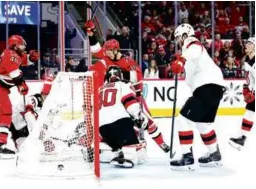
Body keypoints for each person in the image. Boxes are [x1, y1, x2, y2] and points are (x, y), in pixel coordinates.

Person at [84, 20, 170, 153]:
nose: (105, 53)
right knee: (121, 122)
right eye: (105, 51)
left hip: (131, 96)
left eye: (108, 51)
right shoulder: (106, 57)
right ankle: (116, 144)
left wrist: (119, 76)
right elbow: (96, 49)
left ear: (115, 50)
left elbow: (138, 80)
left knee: (146, 120)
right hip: (117, 98)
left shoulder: (128, 61)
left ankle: (162, 143)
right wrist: (91, 33)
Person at [169, 24, 225, 170]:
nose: (178, 41)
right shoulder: (189, 53)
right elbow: (189, 76)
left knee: (183, 120)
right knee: (203, 124)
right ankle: (215, 154)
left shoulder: (191, 43)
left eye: (178, 37)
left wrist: (181, 59)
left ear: (184, 34)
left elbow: (196, 48)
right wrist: (181, 62)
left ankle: (187, 157)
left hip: (206, 87)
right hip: (215, 88)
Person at [0, 35, 39, 157]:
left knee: (5, 116)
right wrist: (22, 85)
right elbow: (15, 74)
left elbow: (22, 60)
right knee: (6, 115)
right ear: (14, 45)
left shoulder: (12, 54)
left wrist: (31, 58)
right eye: (21, 45)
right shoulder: (11, 55)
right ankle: (0, 145)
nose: (23, 47)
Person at [0, 74, 54, 149]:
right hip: (11, 119)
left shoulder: (46, 105)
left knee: (25, 150)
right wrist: (35, 130)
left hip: (21, 127)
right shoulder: (36, 99)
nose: (47, 96)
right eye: (46, 94)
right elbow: (28, 114)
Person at [99, 66, 147, 168]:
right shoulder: (124, 84)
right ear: (120, 75)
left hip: (102, 128)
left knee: (114, 144)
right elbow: (130, 104)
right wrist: (138, 117)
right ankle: (127, 155)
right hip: (120, 123)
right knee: (137, 149)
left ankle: (116, 151)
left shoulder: (100, 89)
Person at [229, 37, 255, 150]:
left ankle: (242, 139)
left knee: (249, 113)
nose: (246, 45)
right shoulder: (249, 61)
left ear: (254, 46)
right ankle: (242, 139)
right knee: (248, 113)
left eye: (249, 43)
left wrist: (252, 92)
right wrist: (247, 87)